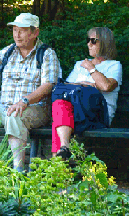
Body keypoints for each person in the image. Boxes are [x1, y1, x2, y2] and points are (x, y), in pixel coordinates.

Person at [0, 13, 62, 172]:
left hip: (36, 109)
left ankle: (18, 171)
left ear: (35, 33)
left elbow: (48, 86)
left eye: (22, 30)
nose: (17, 34)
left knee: (14, 115)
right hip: (4, 107)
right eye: (15, 30)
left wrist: (24, 101)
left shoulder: (47, 54)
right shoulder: (6, 53)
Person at [52, 27, 122, 159]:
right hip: (74, 113)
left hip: (98, 116)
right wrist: (88, 84)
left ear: (105, 43)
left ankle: (58, 167)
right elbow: (66, 87)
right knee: (60, 104)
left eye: (93, 41)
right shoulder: (80, 64)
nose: (88, 44)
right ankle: (64, 148)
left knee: (59, 116)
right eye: (88, 40)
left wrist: (91, 68)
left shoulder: (114, 65)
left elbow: (106, 86)